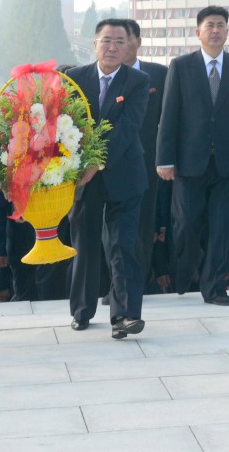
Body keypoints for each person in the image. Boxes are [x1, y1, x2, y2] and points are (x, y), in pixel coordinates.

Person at [66, 19, 149, 339]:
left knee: (122, 245)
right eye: (106, 40)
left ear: (129, 45)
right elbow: (66, 125)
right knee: (83, 244)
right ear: (95, 44)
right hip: (82, 179)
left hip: (124, 174)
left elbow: (128, 128)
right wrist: (81, 167)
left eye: (119, 41)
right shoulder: (74, 78)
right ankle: (82, 310)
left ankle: (125, 316)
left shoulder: (137, 81)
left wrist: (96, 162)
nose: (112, 47)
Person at [156, 6, 229, 305]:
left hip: (228, 162)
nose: (215, 30)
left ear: (227, 31)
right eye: (210, 25)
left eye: (221, 25)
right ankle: (184, 274)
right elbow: (169, 115)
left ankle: (215, 287)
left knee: (222, 228)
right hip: (189, 163)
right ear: (198, 32)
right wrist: (164, 159)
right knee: (186, 226)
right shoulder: (181, 66)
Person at [124, 19, 168, 288]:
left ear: (138, 42)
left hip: (151, 165)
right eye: (111, 40)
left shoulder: (159, 75)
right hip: (111, 166)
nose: (118, 46)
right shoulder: (102, 78)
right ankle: (116, 285)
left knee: (145, 228)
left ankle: (137, 284)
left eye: (124, 40)